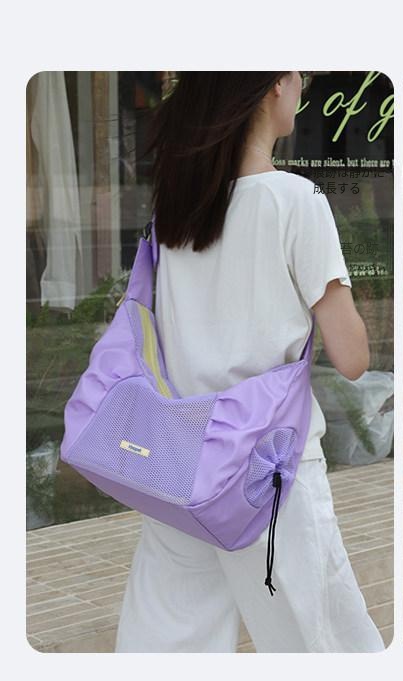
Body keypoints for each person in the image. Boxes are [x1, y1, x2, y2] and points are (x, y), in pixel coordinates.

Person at [115, 72, 385, 653]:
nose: (303, 84)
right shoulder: (296, 200)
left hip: (180, 460)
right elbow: (353, 357)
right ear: (272, 86)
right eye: (299, 72)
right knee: (320, 646)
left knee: (166, 645)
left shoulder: (176, 206)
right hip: (269, 469)